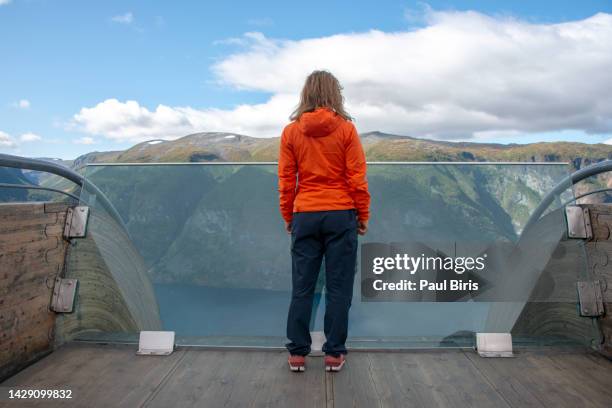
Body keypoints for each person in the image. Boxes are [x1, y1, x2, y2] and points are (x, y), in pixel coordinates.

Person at [278, 70, 370, 373]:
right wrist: (362, 214)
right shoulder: (346, 130)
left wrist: (289, 215)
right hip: (341, 214)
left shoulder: (291, 132)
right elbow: (357, 177)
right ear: (335, 94)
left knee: (302, 287)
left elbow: (286, 180)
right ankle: (334, 353)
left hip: (305, 214)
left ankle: (298, 353)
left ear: (306, 94)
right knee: (339, 287)